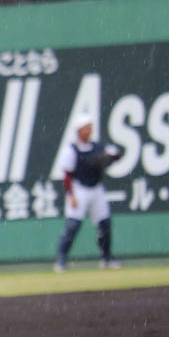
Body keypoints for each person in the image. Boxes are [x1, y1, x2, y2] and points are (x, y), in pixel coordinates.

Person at [55, 115, 123, 272]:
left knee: (105, 225)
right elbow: (67, 175)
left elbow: (116, 154)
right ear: (79, 131)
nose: (89, 130)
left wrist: (111, 156)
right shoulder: (71, 150)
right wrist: (71, 195)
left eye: (90, 127)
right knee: (73, 226)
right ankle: (61, 260)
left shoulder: (97, 147)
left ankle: (106, 258)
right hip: (79, 189)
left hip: (96, 189)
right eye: (86, 127)